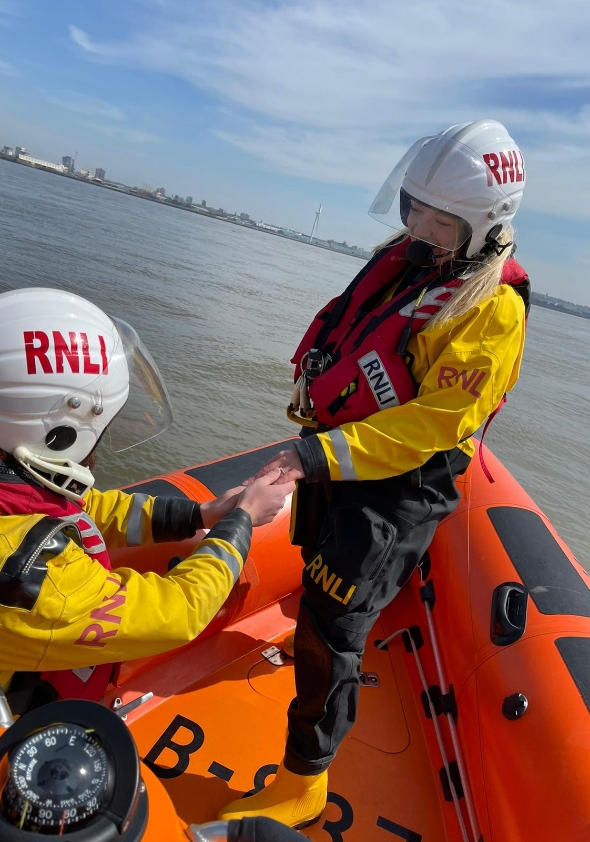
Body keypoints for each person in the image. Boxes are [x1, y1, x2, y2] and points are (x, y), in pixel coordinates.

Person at [219, 119, 530, 827]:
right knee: (316, 570)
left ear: (480, 227)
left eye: (435, 216)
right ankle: (313, 663)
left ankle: (306, 777)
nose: (417, 224)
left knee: (335, 624)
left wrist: (311, 456)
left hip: (400, 484)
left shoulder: (490, 309)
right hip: (347, 451)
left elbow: (426, 429)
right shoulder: (417, 261)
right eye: (411, 206)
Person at [0, 288, 295, 709]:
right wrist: (242, 520)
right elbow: (179, 612)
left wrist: (201, 512)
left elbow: (86, 509)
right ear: (60, 433)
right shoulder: (26, 579)